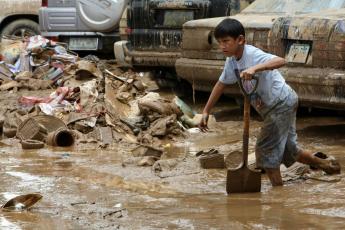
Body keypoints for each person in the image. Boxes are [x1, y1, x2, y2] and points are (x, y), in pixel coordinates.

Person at [199, 18, 341, 186]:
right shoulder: (231, 62)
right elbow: (221, 84)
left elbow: (281, 60)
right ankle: (328, 165)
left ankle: (278, 193)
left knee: (265, 150)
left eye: (226, 41)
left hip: (280, 103)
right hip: (278, 105)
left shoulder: (252, 54)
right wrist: (206, 111)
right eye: (219, 42)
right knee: (291, 150)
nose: (222, 46)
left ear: (240, 40)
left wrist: (255, 69)